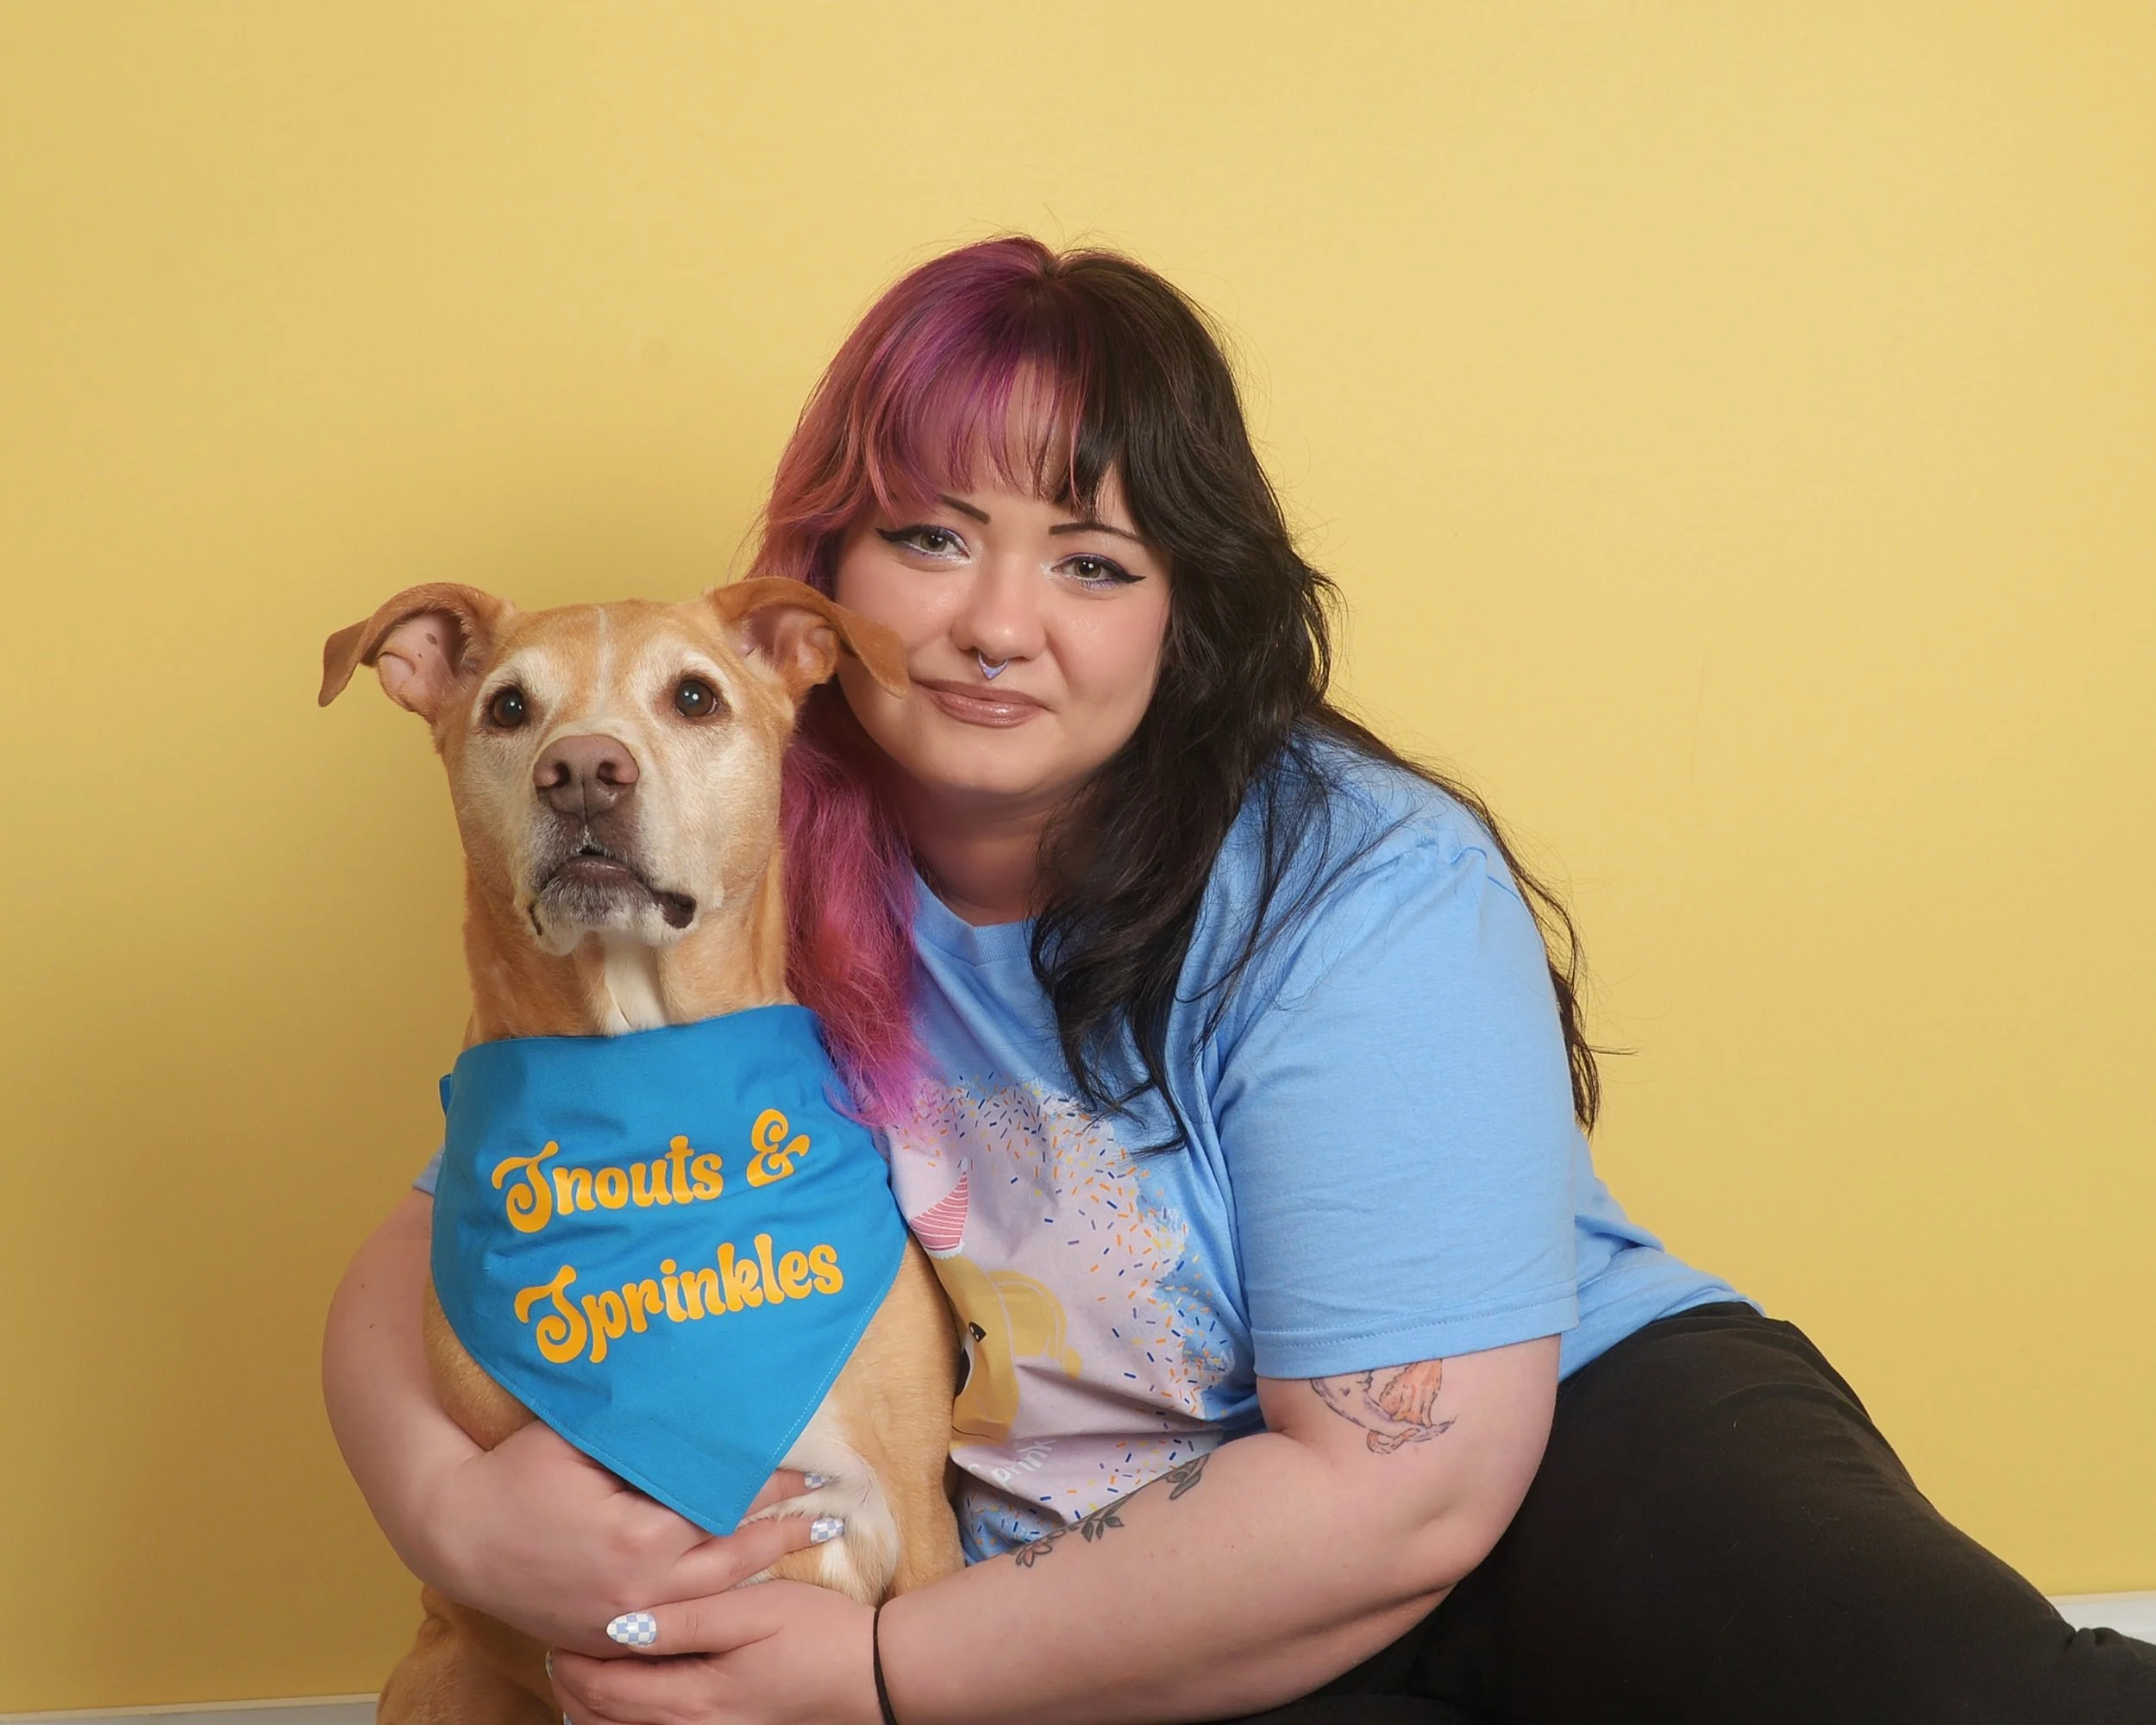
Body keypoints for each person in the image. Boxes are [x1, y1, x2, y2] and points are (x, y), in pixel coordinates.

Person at [322, 237, 2156, 1725]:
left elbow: (1397, 1484)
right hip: (1111, 1582)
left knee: (1959, 1694)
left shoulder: (1357, 879)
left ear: (1182, 609)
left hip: (1558, 1451)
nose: (995, 623)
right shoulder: (729, 840)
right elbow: (462, 1226)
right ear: (826, 580)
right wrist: (452, 1510)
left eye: (1092, 559)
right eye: (933, 536)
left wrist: (877, 1670)